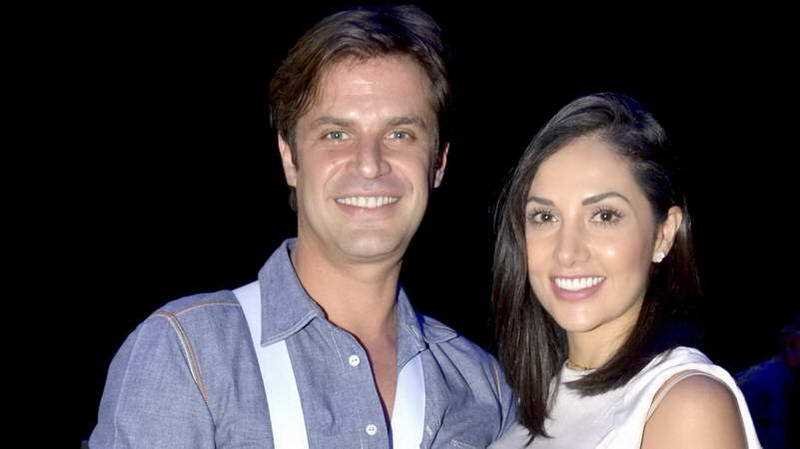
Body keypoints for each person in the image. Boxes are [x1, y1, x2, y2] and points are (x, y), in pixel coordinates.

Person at [89, 5, 515, 448]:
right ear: (290, 158)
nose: (370, 164)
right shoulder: (191, 352)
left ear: (438, 163)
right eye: (336, 134)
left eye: (400, 134)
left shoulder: (481, 384)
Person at [488, 93, 761, 448]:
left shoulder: (684, 405)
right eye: (545, 216)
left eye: (604, 216)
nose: (567, 252)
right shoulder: (529, 409)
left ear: (664, 234)